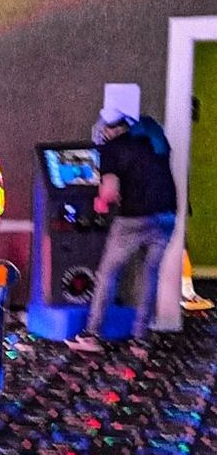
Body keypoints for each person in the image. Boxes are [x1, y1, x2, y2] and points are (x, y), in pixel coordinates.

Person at [70, 108, 178, 352]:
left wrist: (100, 202)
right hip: (166, 215)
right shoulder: (153, 138)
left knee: (108, 274)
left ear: (109, 130)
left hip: (134, 218)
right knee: (150, 275)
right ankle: (141, 338)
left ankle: (92, 334)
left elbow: (108, 191)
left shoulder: (112, 148)